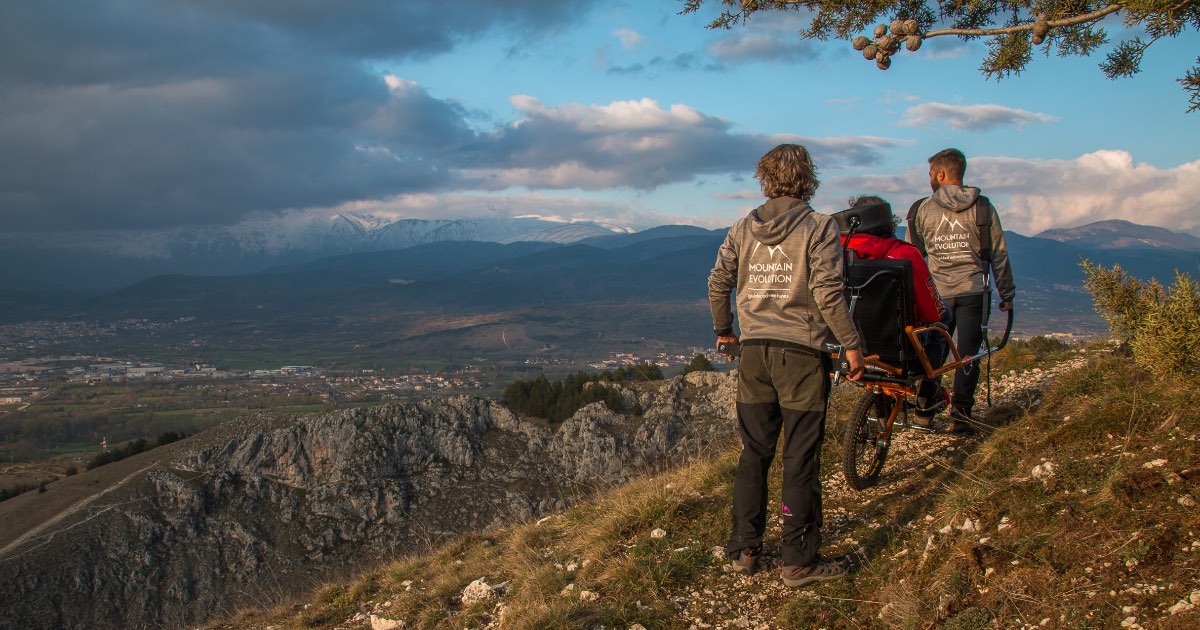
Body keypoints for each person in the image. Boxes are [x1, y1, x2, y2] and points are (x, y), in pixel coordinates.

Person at [708, 143, 864, 588]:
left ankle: (745, 548)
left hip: (754, 353)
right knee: (800, 456)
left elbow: (717, 282)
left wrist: (726, 330)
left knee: (755, 451)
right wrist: (851, 345)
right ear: (808, 179)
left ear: (765, 178)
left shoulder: (742, 228)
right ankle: (797, 560)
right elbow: (829, 294)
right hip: (801, 355)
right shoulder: (819, 228)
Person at [906, 148, 1015, 433]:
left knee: (933, 352)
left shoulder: (920, 210)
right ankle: (961, 417)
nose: (929, 178)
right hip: (973, 291)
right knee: (968, 354)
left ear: (941, 174)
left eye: (930, 174)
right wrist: (1007, 294)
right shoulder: (983, 207)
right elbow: (999, 254)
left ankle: (924, 411)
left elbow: (912, 259)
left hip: (936, 295)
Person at [834, 195, 949, 425]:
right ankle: (927, 396)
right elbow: (931, 313)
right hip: (900, 350)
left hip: (847, 344)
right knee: (944, 320)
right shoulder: (905, 254)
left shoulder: (835, 254)